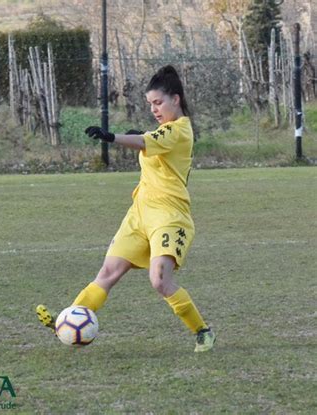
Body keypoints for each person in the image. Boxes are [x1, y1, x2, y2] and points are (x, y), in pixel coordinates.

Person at [36, 65, 216, 352]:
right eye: (150, 104)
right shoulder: (164, 131)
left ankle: (202, 331)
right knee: (108, 272)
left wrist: (112, 137)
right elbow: (149, 140)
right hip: (140, 213)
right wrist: (137, 137)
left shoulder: (180, 131)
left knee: (159, 280)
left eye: (158, 102)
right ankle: (67, 320)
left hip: (170, 216)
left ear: (176, 99)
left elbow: (146, 141)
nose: (154, 109)